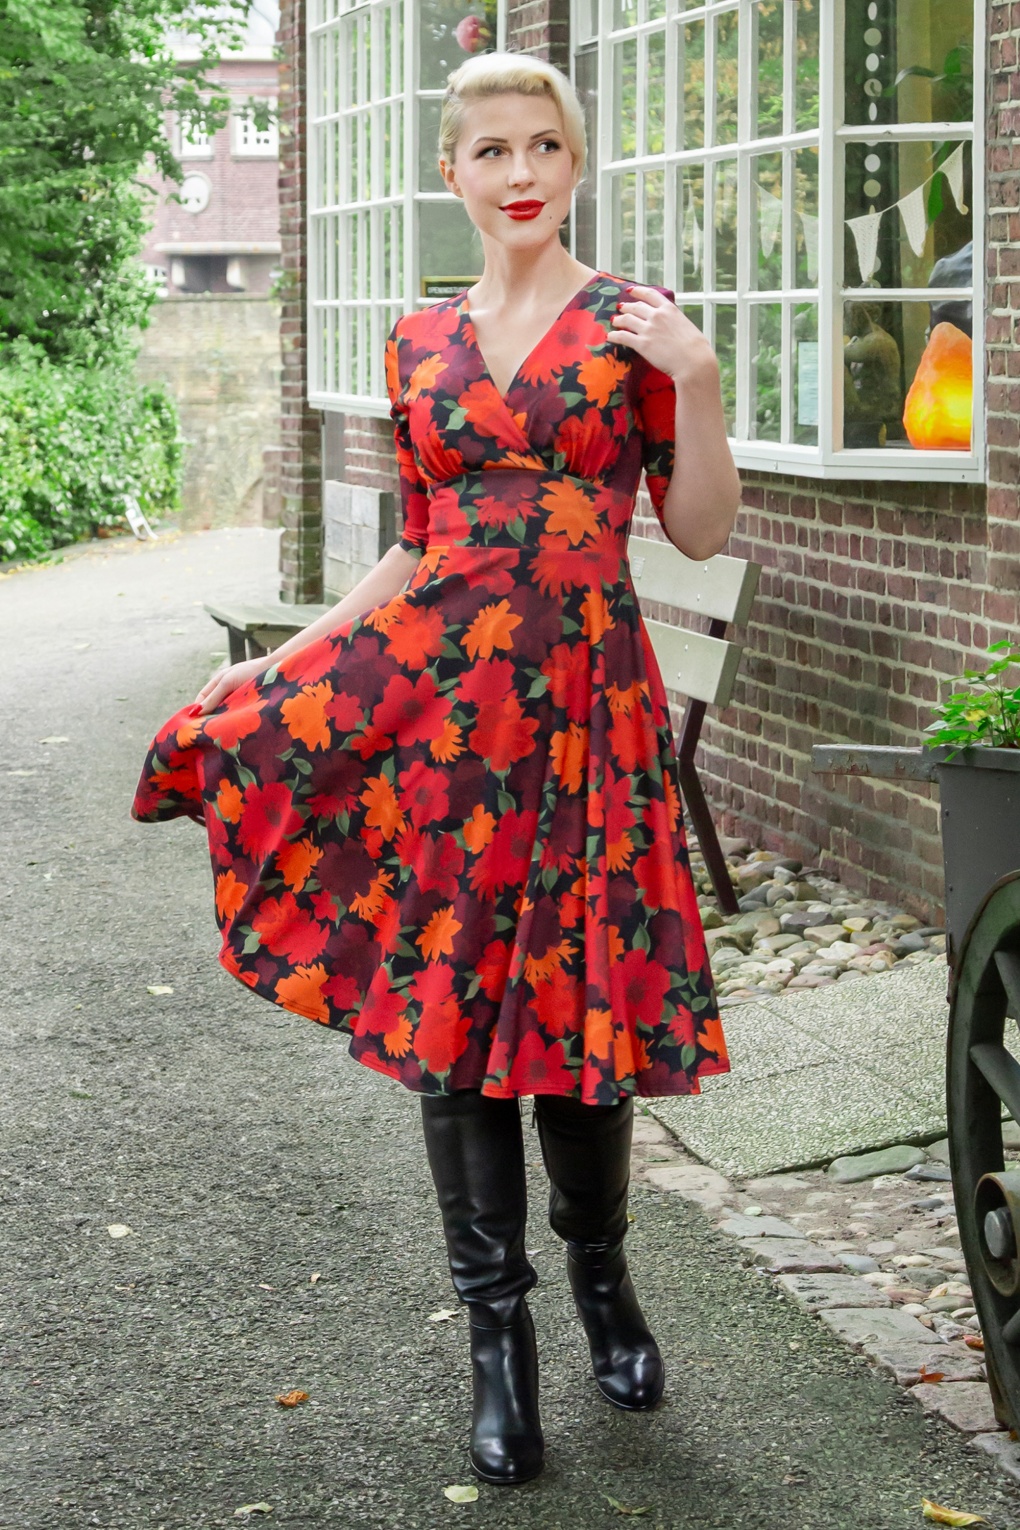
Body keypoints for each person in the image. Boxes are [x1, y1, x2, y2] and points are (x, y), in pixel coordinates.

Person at [131, 50, 741, 1487]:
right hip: (446, 723)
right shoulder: (417, 344)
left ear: (575, 162)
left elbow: (703, 532)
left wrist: (701, 377)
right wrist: (275, 667)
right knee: (456, 1012)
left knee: (580, 1006)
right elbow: (415, 548)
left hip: (585, 712)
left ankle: (602, 1277)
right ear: (452, 172)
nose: (521, 173)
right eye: (492, 150)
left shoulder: (637, 328)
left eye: (545, 146)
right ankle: (497, 1338)